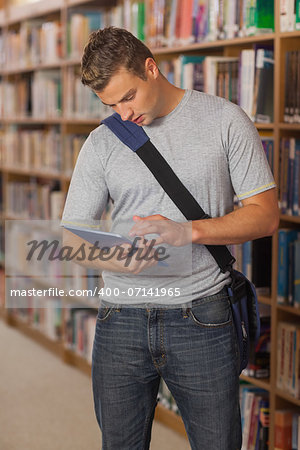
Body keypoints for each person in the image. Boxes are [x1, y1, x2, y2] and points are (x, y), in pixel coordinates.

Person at [61, 26, 279, 450]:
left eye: (129, 97)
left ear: (151, 68)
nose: (123, 114)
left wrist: (189, 231)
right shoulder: (103, 141)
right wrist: (118, 258)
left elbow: (265, 217)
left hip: (203, 316)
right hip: (119, 320)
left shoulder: (224, 119)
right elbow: (73, 237)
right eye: (110, 104)